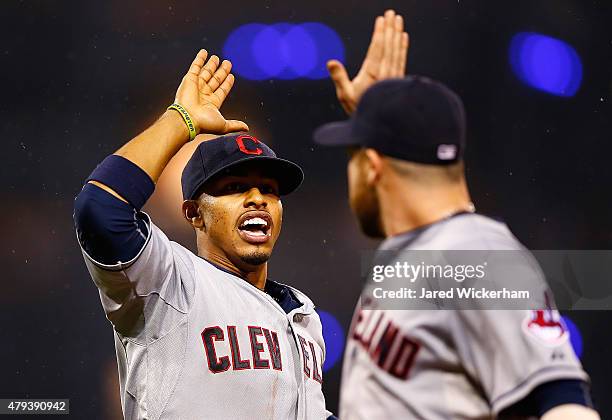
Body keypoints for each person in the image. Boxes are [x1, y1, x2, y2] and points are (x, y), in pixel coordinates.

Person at [315, 9, 600, 419]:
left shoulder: (476, 257)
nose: (351, 172)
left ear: (374, 166)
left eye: (353, 156)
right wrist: (379, 116)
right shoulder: (427, 254)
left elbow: (563, 405)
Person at [74, 50, 334, 419]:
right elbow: (100, 209)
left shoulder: (303, 314)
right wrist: (180, 122)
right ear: (194, 213)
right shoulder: (171, 284)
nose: (257, 198)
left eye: (269, 189)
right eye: (235, 187)